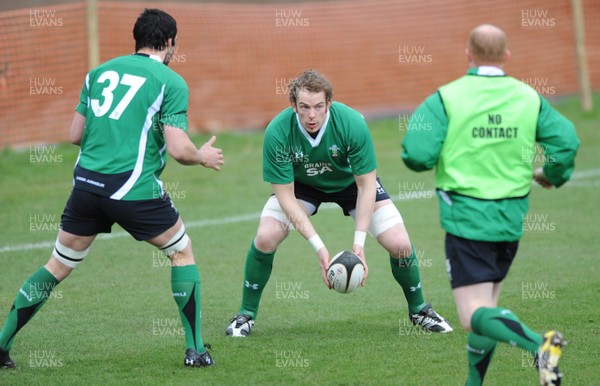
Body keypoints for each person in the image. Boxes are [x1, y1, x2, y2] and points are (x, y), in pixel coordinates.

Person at [0, 9, 224, 369]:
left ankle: (1, 344)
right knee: (181, 251)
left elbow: (75, 135)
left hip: (86, 187)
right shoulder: (170, 80)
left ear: (136, 39)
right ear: (169, 43)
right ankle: (196, 350)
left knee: (57, 265)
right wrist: (203, 156)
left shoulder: (97, 73)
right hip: (132, 190)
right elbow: (181, 150)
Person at [401, 24, 579, 386]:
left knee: (472, 315)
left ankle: (539, 346)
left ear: (468, 54)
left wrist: (439, 153)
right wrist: (552, 173)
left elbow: (416, 154)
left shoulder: (448, 97)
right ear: (506, 56)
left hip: (467, 217)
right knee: (487, 308)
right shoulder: (528, 97)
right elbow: (568, 142)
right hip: (511, 219)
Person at [226, 69, 452, 338]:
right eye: (305, 107)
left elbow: (366, 184)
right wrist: (320, 248)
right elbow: (285, 195)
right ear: (293, 106)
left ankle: (419, 310)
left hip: (350, 185)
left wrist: (359, 245)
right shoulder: (277, 131)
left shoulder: (352, 123)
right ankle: (245, 314)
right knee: (265, 237)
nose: (312, 115)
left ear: (329, 103)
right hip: (302, 186)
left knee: (400, 244)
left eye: (319, 107)